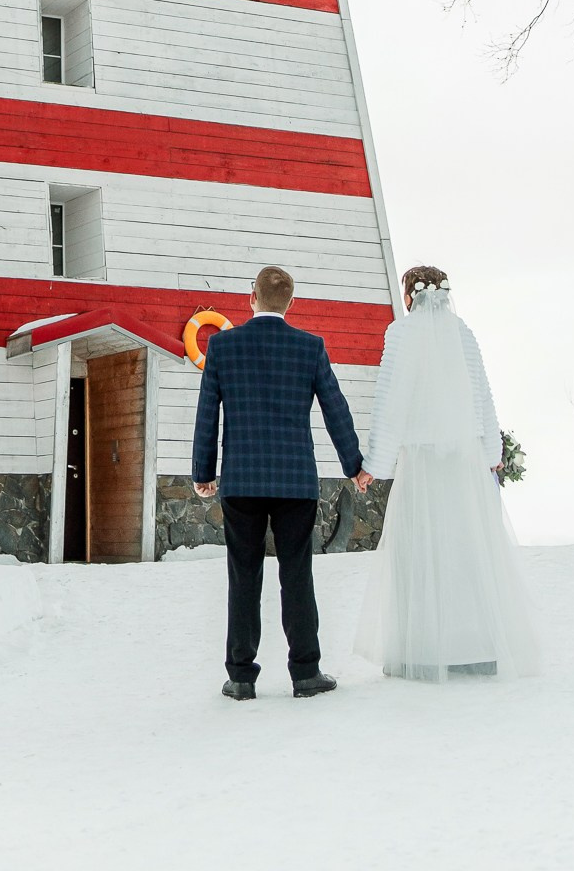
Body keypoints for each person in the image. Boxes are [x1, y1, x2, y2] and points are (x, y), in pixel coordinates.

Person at [354, 265, 543, 681]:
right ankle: (475, 646)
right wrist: (492, 452)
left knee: (418, 552)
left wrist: (375, 465)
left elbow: (391, 402)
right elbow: (483, 396)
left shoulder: (400, 335)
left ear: (409, 296)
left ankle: (418, 648)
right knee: (468, 550)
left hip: (422, 463)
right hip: (464, 463)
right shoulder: (463, 333)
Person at [191, 265, 370, 700]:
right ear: (291, 303)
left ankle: (240, 677)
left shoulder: (223, 345)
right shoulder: (309, 347)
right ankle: (306, 673)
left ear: (251, 297)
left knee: (243, 576)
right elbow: (335, 408)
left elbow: (207, 413)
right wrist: (354, 465)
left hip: (243, 481)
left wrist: (203, 472)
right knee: (297, 574)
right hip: (295, 481)